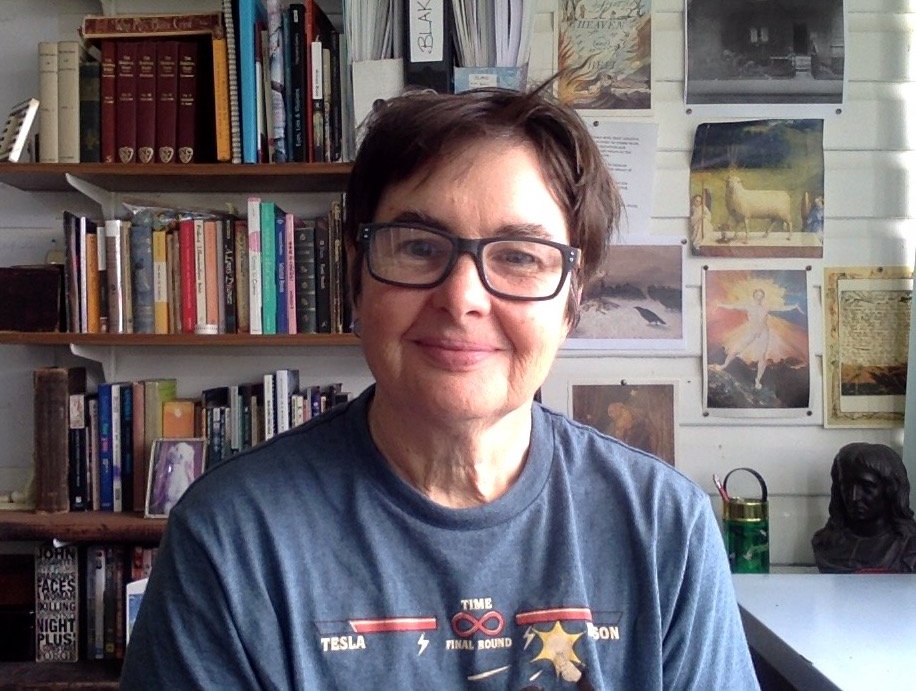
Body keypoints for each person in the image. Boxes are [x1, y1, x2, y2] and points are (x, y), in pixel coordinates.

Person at [121, 85, 758, 689]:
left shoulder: (665, 526)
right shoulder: (230, 538)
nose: (462, 299)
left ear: (575, 296)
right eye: (419, 247)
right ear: (356, 275)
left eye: (518, 256)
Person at [811, 442, 916, 573]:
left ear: (890, 489)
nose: (854, 497)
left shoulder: (909, 548)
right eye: (846, 486)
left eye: (867, 487)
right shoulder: (825, 543)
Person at [713, 287, 802, 390]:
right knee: (736, 349)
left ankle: (758, 380)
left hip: (764, 332)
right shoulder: (748, 305)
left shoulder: (766, 307)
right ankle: (724, 365)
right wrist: (720, 305)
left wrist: (794, 306)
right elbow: (733, 306)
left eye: (761, 295)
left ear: (762, 297)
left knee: (762, 356)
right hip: (751, 331)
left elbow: (781, 308)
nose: (759, 297)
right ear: (754, 296)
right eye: (757, 295)